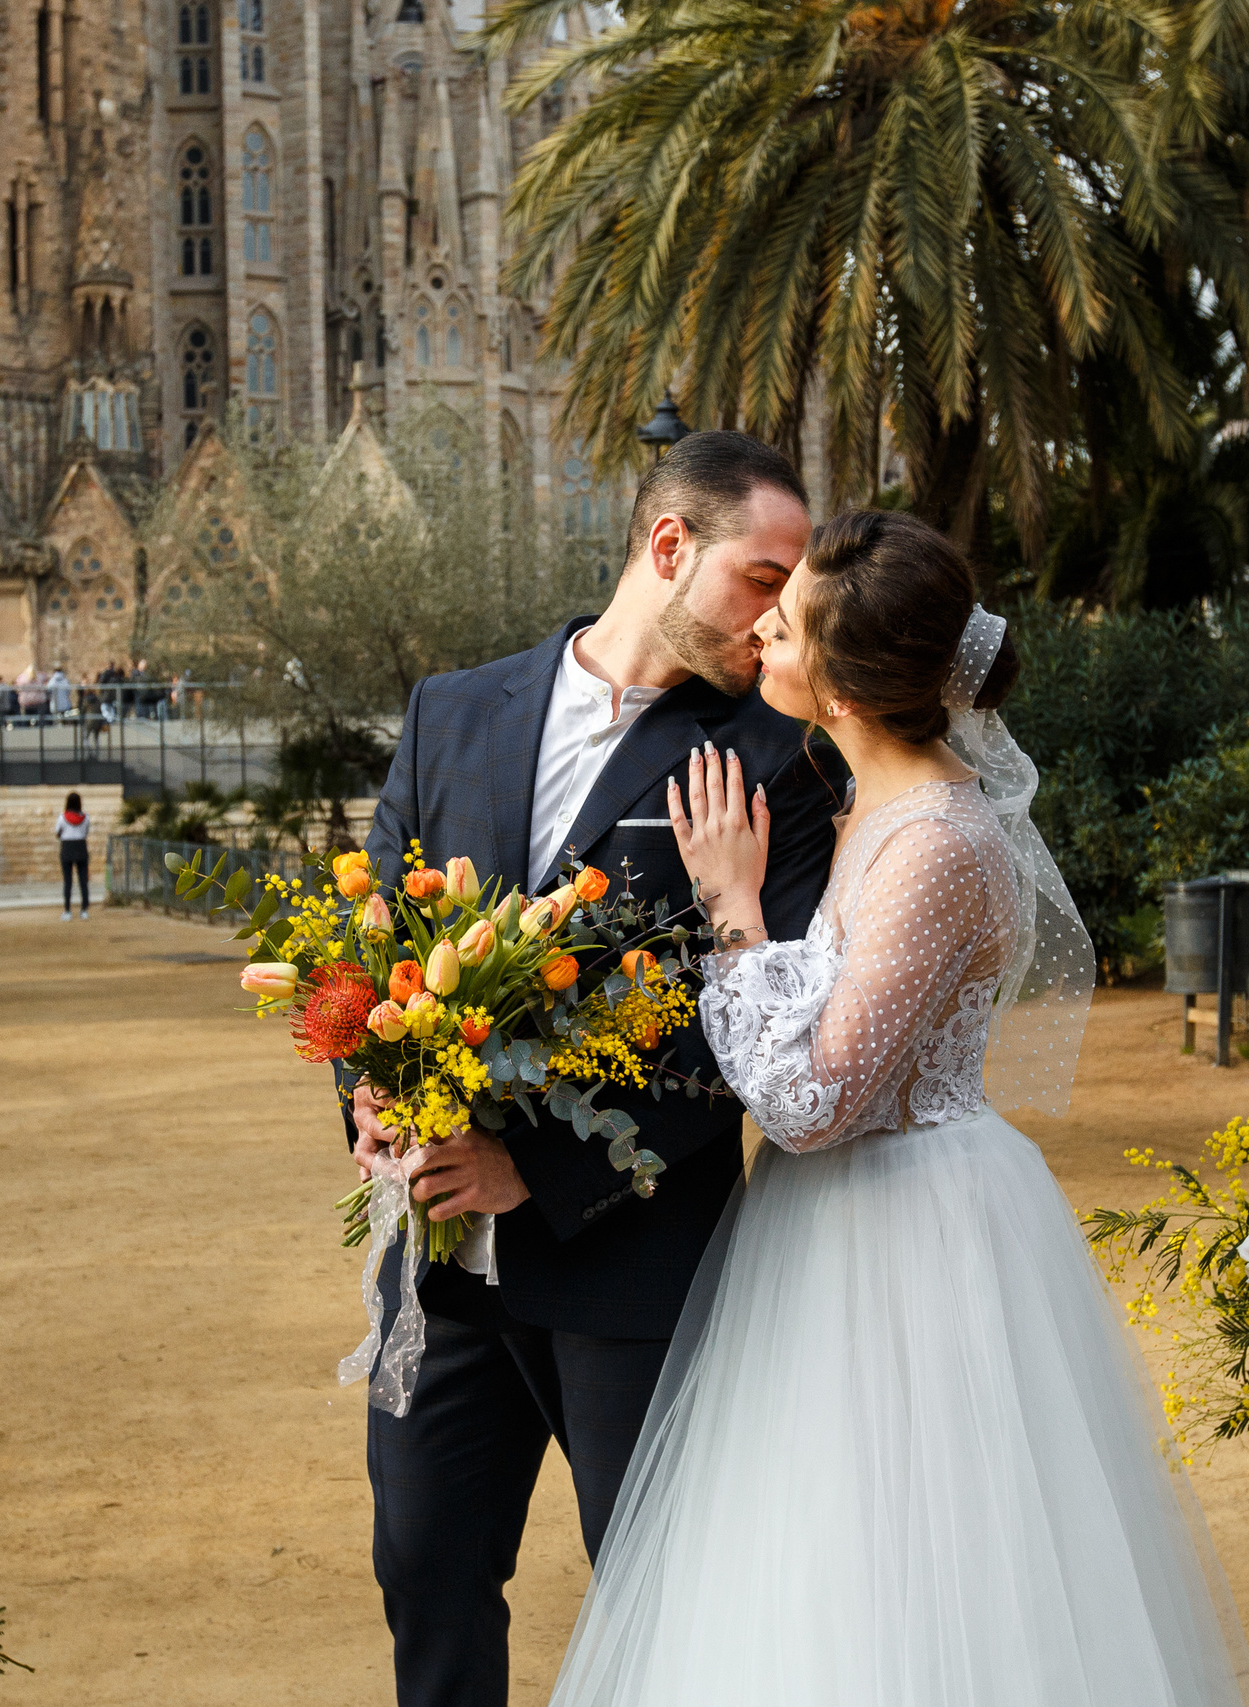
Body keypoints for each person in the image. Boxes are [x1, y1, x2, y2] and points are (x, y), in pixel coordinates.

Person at [544, 514, 1249, 1707]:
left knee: (921, 1562)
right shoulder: (863, 815)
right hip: (828, 1229)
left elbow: (815, 1101)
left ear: (843, 685)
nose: (760, 632)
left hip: (907, 1236)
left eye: (788, 623)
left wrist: (732, 910)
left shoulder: (935, 843)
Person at [343, 431, 839, 1707]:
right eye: (759, 579)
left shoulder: (778, 763)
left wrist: (533, 1166)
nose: (775, 617)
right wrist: (368, 1100)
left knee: (658, 1594)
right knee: (425, 1571)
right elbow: (365, 953)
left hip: (630, 1263)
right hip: (439, 1266)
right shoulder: (450, 710)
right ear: (668, 548)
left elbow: (734, 1043)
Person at [55, 790, 92, 920]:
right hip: (81, 847)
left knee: (68, 881)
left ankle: (67, 910)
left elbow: (57, 832)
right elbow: (87, 831)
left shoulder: (62, 817)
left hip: (67, 848)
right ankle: (84, 910)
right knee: (83, 880)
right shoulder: (85, 817)